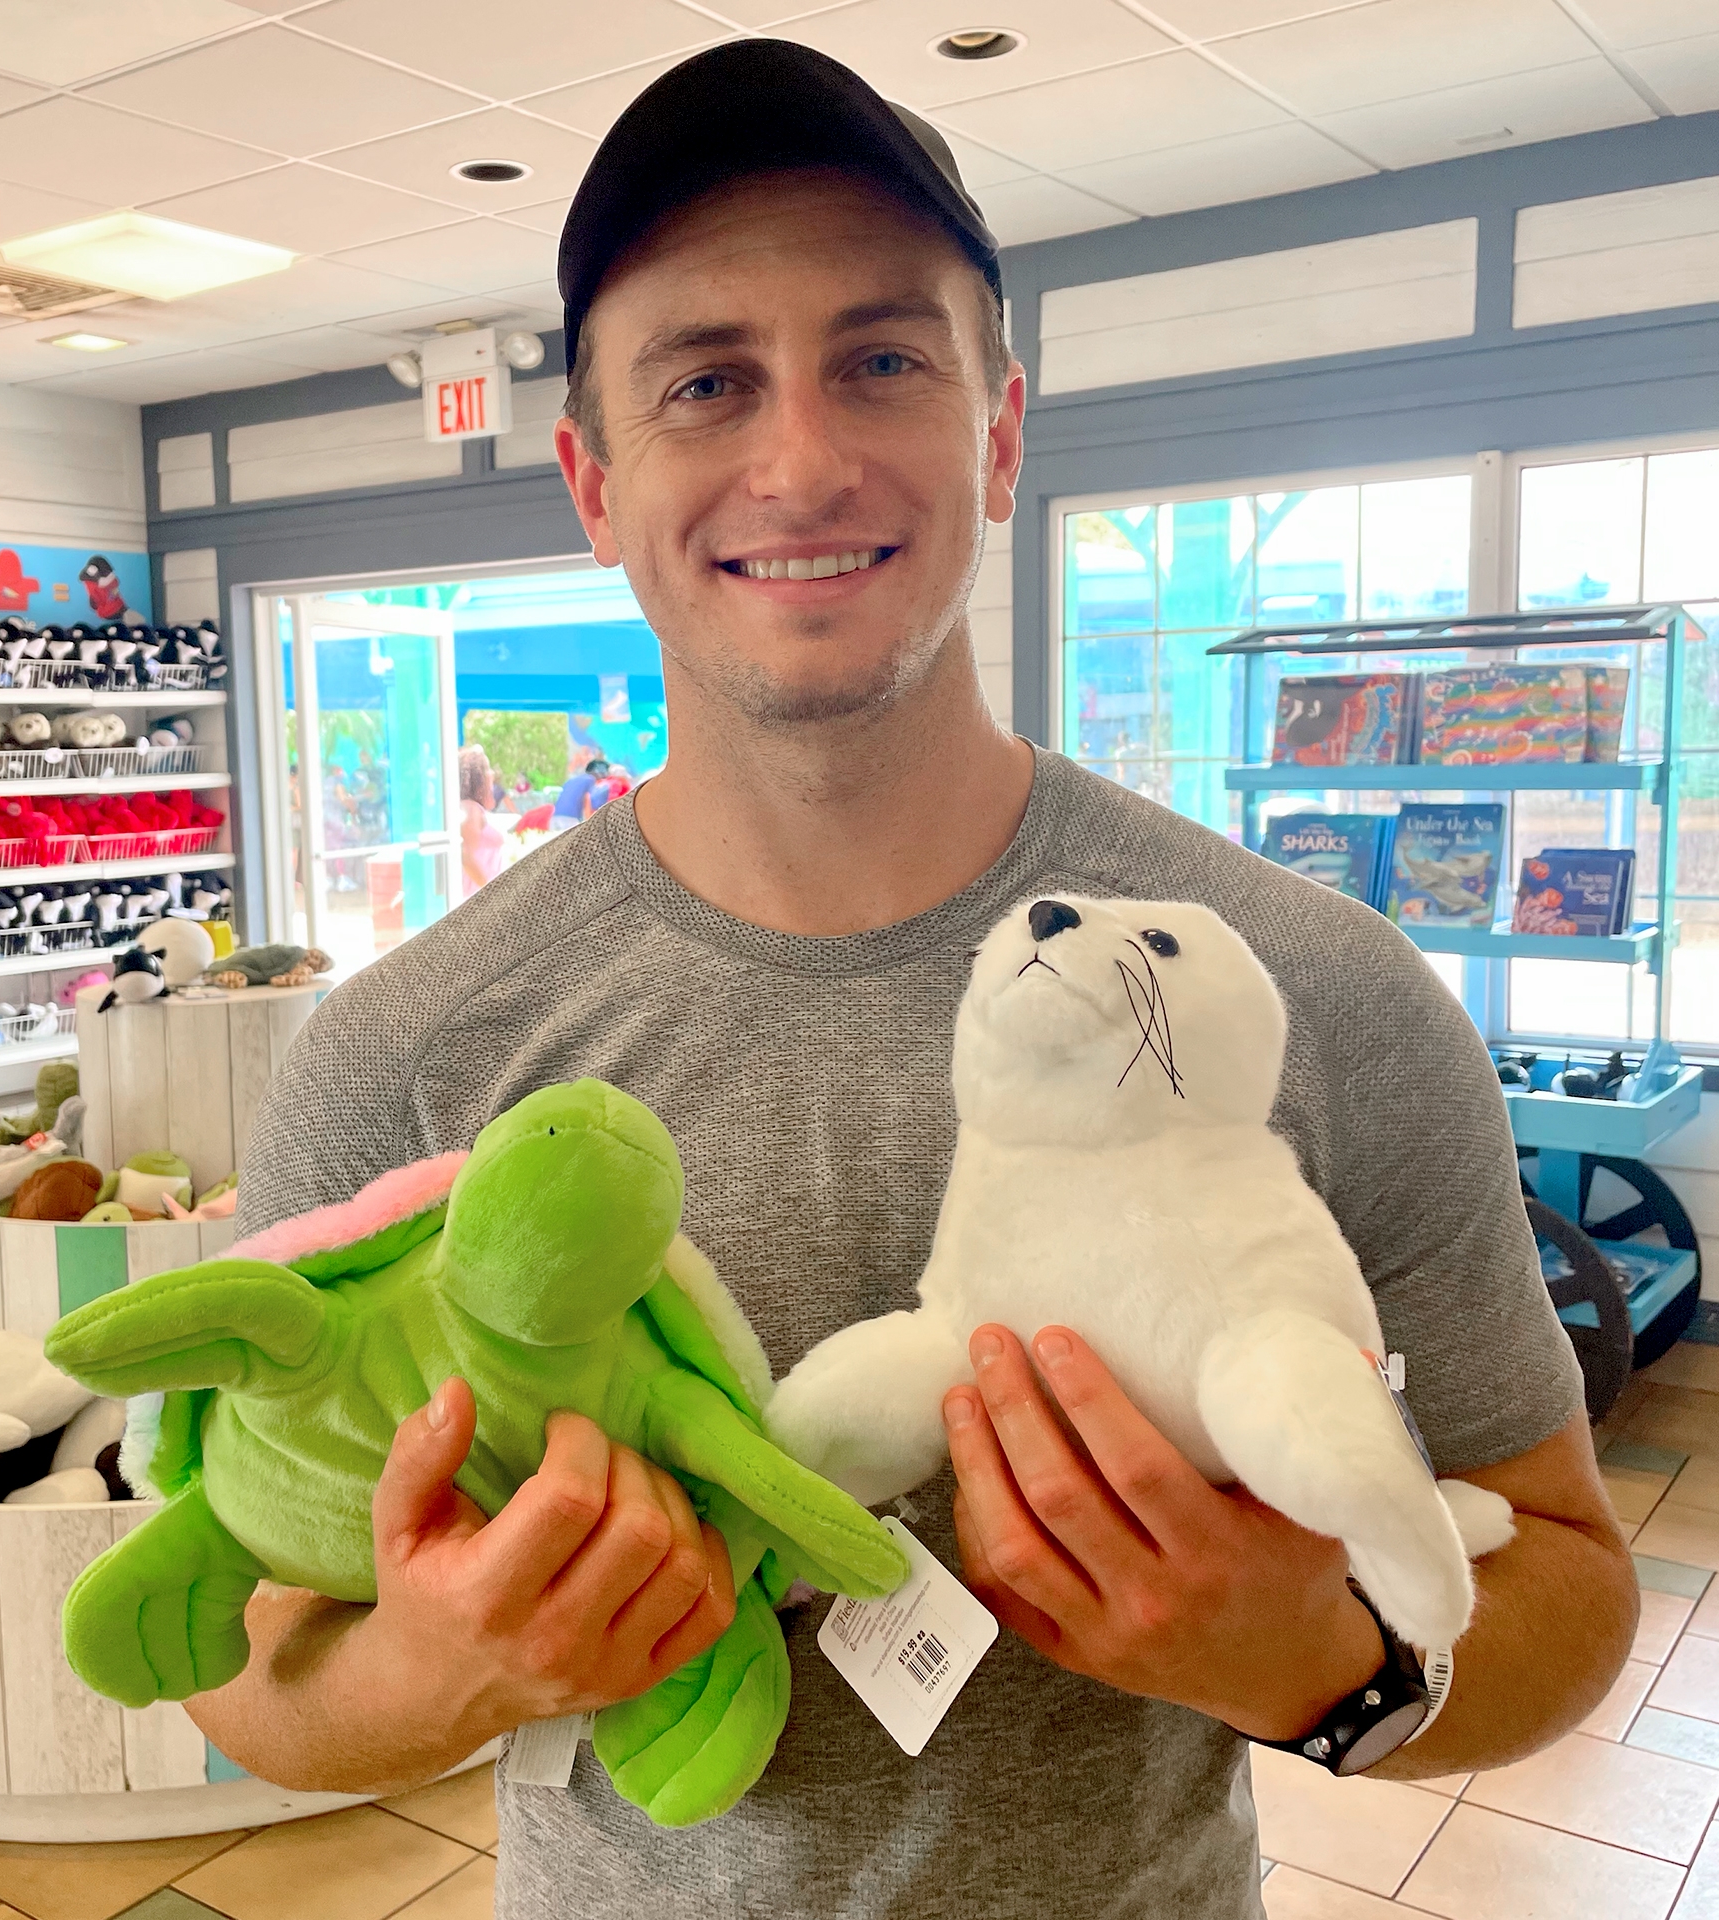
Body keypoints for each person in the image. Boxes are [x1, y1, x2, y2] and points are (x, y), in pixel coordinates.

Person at [206, 40, 1634, 1919]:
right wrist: (439, 1669)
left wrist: (1319, 1666)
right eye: (706, 382)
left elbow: (1569, 1582)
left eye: (884, 360)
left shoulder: (1303, 993)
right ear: (592, 477)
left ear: (1003, 432)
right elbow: (242, 1657)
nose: (801, 459)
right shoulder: (403, 1048)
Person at [458, 744, 504, 896]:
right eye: (487, 768)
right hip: (477, 896)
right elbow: (466, 856)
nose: (491, 773)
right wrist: (492, 892)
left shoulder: (474, 809)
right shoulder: (470, 809)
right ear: (478, 776)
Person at [549, 755, 611, 831]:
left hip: (555, 818)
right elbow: (590, 800)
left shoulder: (571, 780)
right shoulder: (590, 780)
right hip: (570, 820)